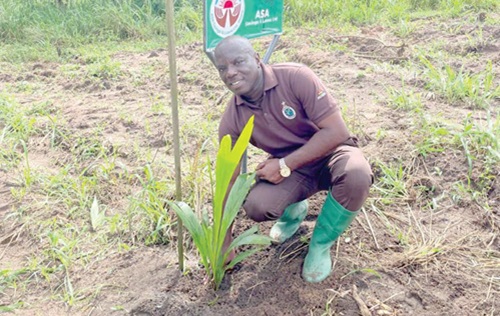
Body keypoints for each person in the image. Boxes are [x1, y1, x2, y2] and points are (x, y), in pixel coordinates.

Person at [213, 35, 373, 283]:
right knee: (257, 205)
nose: (230, 73)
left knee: (357, 174)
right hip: (291, 170)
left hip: (332, 153)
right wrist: (223, 243)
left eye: (238, 62)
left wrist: (285, 165)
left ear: (256, 59)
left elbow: (337, 132)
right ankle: (293, 213)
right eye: (222, 68)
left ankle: (320, 245)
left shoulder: (296, 77)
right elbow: (227, 183)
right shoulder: (233, 118)